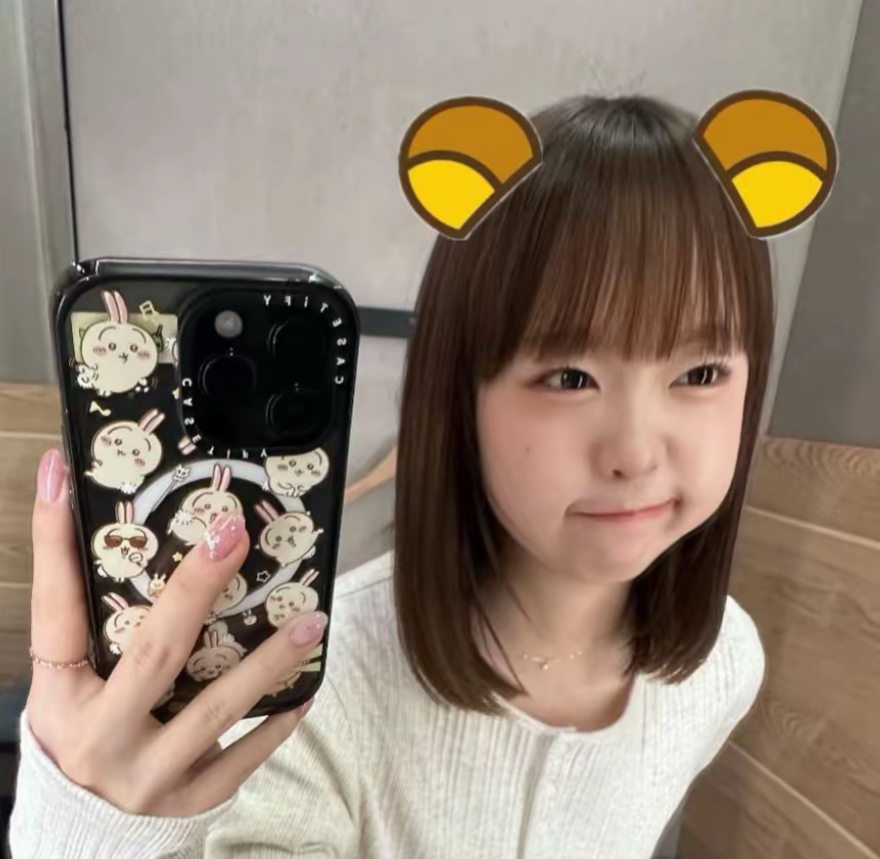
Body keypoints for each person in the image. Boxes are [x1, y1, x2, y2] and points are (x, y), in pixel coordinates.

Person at [9, 92, 772, 859]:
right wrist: (85, 831)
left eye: (701, 371)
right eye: (570, 376)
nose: (635, 453)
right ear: (460, 394)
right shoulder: (320, 691)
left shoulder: (726, 666)